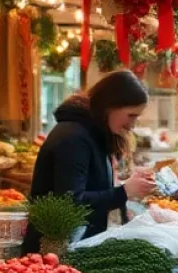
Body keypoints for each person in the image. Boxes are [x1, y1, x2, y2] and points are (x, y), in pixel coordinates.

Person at [24, 70, 155, 249]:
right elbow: (71, 202)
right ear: (111, 105)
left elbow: (88, 186)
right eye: (131, 115)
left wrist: (124, 189)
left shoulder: (92, 133)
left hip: (74, 246)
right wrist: (123, 192)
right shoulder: (74, 138)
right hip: (53, 252)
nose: (132, 125)